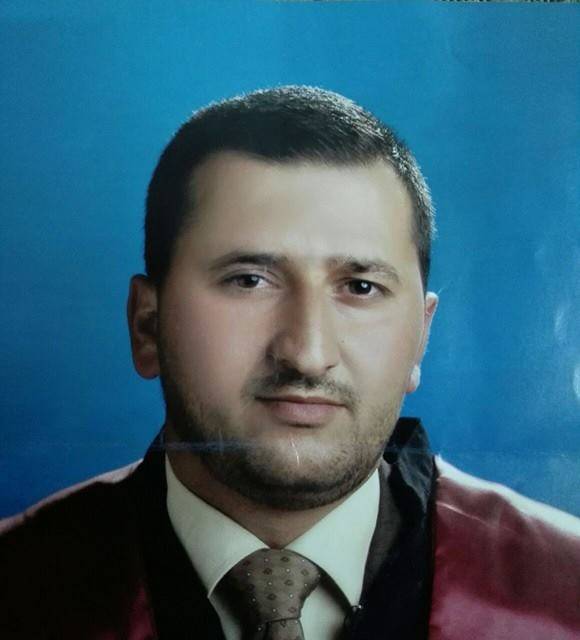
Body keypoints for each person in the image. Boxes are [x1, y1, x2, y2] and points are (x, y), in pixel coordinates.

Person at [1, 86, 578, 640]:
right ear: (147, 326)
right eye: (248, 281)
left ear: (421, 337)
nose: (307, 353)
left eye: (360, 287)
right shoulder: (18, 587)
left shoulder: (564, 596)